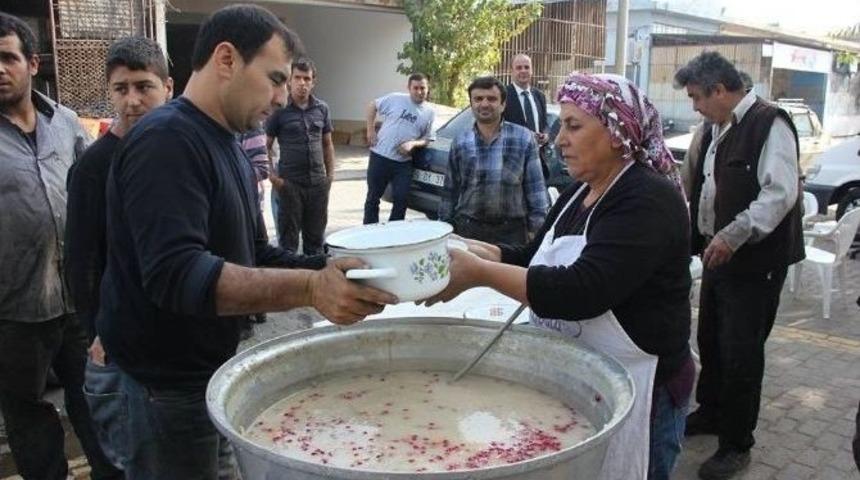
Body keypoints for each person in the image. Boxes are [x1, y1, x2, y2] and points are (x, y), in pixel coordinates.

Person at [96, 6, 397, 479]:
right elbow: (178, 274)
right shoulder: (167, 141)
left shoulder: (228, 143)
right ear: (226, 59)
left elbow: (253, 252)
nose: (280, 96)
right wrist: (311, 290)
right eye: (274, 78)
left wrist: (340, 268)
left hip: (211, 376)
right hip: (164, 392)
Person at [426, 72, 693, 480]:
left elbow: (581, 291)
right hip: (581, 376)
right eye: (559, 125)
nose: (558, 139)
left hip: (643, 389)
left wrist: (481, 274)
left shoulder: (647, 199)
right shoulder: (577, 191)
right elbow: (535, 258)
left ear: (618, 132)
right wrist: (479, 249)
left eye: (573, 126)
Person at [0, 12, 121, 480]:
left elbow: (95, 196)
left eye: (8, 58)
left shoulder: (66, 122)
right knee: (27, 411)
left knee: (91, 395)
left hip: (76, 297)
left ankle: (110, 472)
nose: (0, 68)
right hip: (13, 308)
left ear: (32, 63)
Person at [675, 52, 804, 480]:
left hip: (754, 262)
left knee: (741, 354)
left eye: (696, 97)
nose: (694, 106)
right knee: (710, 339)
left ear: (719, 90)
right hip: (717, 257)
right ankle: (711, 412)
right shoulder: (714, 128)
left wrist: (734, 234)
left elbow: (779, 194)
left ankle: (736, 443)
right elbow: (698, 184)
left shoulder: (770, 124)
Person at [64, 35, 173, 472]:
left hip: (177, 334)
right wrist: (95, 331)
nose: (132, 100)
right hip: (119, 342)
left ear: (168, 86)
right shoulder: (93, 166)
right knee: (131, 457)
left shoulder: (179, 153)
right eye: (120, 88)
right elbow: (81, 259)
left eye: (143, 87)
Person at [439, 76, 548, 245]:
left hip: (511, 235)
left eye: (491, 99)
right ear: (471, 104)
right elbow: (449, 192)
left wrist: (537, 232)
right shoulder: (460, 142)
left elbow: (536, 191)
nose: (484, 104)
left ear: (503, 104)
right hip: (468, 232)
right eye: (478, 99)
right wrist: (443, 230)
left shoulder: (523, 138)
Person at [266, 57, 334, 255]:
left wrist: (329, 177)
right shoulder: (279, 111)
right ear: (290, 80)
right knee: (288, 243)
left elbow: (327, 144)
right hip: (290, 185)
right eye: (298, 78)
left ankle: (315, 282)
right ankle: (290, 283)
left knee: (315, 241)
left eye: (307, 79)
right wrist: (274, 178)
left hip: (318, 185)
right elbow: (266, 146)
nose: (302, 83)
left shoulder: (322, 109)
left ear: (314, 82)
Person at [363, 73, 435, 224]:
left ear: (428, 89)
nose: (419, 91)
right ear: (409, 88)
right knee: (373, 198)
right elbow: (372, 106)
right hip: (380, 156)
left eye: (423, 88)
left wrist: (413, 144)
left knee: (401, 200)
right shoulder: (396, 99)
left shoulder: (429, 112)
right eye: (415, 88)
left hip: (403, 163)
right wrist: (370, 130)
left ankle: (394, 234)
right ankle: (369, 233)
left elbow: (427, 139)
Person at [503, 53, 550, 173]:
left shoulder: (539, 96)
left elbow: (544, 124)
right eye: (519, 68)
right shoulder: (503, 96)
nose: (523, 71)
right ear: (511, 71)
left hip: (538, 163)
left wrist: (545, 136)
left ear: (532, 70)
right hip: (512, 166)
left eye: (527, 67)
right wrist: (526, 137)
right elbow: (499, 129)